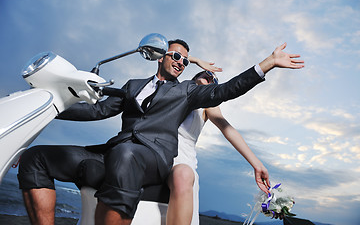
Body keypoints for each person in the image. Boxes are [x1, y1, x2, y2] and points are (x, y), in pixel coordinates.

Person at [17, 39, 304, 225]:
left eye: (185, 60)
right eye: (175, 56)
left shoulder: (189, 92)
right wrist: (46, 108)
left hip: (153, 158)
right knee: (36, 158)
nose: (180, 61)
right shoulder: (131, 85)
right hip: (115, 151)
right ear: (159, 57)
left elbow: (228, 90)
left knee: (127, 155)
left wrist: (267, 63)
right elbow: (97, 111)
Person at [166, 71, 270, 225]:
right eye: (207, 74)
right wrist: (195, 59)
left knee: (183, 176)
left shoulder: (208, 104)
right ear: (194, 76)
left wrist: (257, 164)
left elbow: (228, 130)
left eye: (214, 81)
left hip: (182, 159)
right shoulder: (173, 90)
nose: (211, 78)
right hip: (157, 151)